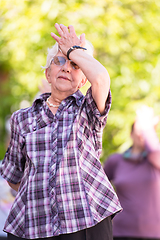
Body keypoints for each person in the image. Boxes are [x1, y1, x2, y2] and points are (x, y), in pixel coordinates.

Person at [0, 23, 122, 240]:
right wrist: (42, 195)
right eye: (60, 61)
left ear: (83, 80)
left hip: (87, 220)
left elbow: (102, 79)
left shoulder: (87, 109)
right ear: (48, 74)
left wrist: (74, 49)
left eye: (75, 65)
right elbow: (13, 176)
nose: (66, 67)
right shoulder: (22, 119)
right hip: (34, 225)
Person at [104, 105, 160, 240]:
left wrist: (146, 124)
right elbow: (98, 188)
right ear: (131, 133)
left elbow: (154, 151)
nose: (142, 133)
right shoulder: (116, 161)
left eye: (146, 130)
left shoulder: (155, 162)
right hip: (120, 232)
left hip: (152, 234)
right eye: (139, 128)